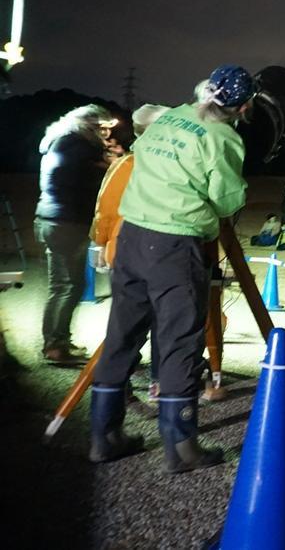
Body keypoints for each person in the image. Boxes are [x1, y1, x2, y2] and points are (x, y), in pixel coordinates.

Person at [90, 65, 256, 472]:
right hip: (175, 246)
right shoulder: (223, 138)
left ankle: (103, 437)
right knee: (181, 342)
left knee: (122, 334)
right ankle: (181, 448)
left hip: (131, 240)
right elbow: (227, 201)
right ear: (244, 106)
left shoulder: (172, 117)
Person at [90, 104, 170, 397]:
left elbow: (105, 210)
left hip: (124, 254)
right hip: (162, 255)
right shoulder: (172, 165)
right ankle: (161, 382)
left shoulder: (126, 164)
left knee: (125, 328)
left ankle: (115, 386)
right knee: (165, 323)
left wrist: (100, 243)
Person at [34, 104, 117, 362]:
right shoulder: (81, 148)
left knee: (60, 285)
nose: (105, 135)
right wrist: (111, 164)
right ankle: (56, 347)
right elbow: (94, 184)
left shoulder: (59, 142)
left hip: (50, 218)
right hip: (69, 222)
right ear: (89, 126)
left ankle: (55, 342)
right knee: (70, 285)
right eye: (102, 129)